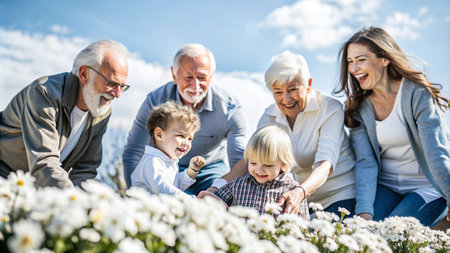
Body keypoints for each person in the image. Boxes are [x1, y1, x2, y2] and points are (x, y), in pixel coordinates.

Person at [212, 51, 356, 218]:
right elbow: (249, 159)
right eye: (278, 91)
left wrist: (300, 192)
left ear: (308, 84)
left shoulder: (330, 109)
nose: (286, 99)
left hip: (338, 196)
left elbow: (325, 164)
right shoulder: (269, 116)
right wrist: (215, 189)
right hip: (293, 199)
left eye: (292, 89)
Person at [335, 26, 450, 226]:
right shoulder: (359, 107)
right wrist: (364, 212)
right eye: (350, 62)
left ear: (385, 59)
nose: (353, 69)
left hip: (426, 187)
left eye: (361, 60)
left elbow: (436, 154)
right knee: (365, 236)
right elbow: (366, 162)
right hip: (387, 187)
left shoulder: (417, 94)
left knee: (393, 234)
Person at [0, 39, 129, 188]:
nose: (117, 94)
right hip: (5, 179)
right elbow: (44, 162)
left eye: (122, 86)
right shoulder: (44, 93)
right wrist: (71, 201)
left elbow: (85, 171)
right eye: (111, 83)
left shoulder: (102, 112)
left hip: (38, 188)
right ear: (84, 73)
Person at [123, 43, 247, 195]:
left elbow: (239, 160)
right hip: (164, 164)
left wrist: (228, 194)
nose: (195, 86)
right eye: (189, 77)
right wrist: (133, 195)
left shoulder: (230, 108)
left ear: (211, 76)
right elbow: (133, 151)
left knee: (219, 198)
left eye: (202, 77)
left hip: (210, 168)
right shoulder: (155, 100)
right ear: (174, 76)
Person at [200, 125, 309, 219]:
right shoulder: (239, 184)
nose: (259, 170)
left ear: (283, 164)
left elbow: (302, 226)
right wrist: (213, 199)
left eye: (268, 165)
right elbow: (214, 198)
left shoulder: (292, 191)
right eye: (253, 163)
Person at [131, 101, 206, 197]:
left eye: (190, 139)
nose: (186, 142)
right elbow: (163, 188)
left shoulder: (169, 162)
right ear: (159, 135)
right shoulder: (152, 161)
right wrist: (190, 199)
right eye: (181, 136)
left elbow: (177, 185)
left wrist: (192, 170)